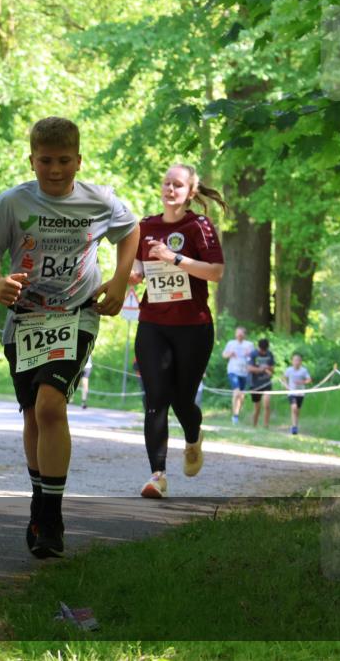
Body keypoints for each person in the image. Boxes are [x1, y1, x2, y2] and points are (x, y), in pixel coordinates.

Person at [0, 116, 139, 558]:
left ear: (79, 160)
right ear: (32, 160)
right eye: (45, 160)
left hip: (75, 315)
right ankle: (39, 498)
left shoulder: (99, 200)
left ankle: (51, 516)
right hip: (25, 320)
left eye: (64, 160)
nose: (55, 169)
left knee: (51, 405)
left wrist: (121, 280)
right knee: (32, 415)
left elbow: (131, 231)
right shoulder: (11, 203)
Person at [129, 164, 226, 499]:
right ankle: (157, 476)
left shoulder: (199, 226)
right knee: (155, 399)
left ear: (191, 192)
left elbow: (215, 272)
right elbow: (137, 265)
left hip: (193, 326)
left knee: (183, 400)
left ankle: (193, 437)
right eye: (167, 183)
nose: (171, 189)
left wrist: (174, 258)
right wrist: (135, 272)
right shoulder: (145, 226)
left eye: (178, 185)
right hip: (153, 323)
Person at [222, 326, 254, 424]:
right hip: (233, 370)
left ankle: (237, 414)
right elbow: (224, 355)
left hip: (244, 372)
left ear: (244, 335)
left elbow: (253, 357)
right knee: (236, 392)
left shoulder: (249, 344)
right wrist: (230, 354)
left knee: (241, 396)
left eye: (241, 333)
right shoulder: (231, 343)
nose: (239, 335)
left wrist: (249, 354)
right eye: (237, 333)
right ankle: (234, 416)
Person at [247, 338, 275, 429]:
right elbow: (249, 368)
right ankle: (254, 426)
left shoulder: (270, 354)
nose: (263, 352)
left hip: (266, 383)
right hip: (255, 384)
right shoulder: (253, 354)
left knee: (267, 404)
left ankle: (266, 425)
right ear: (258, 348)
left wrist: (268, 368)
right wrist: (260, 369)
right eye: (262, 350)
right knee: (257, 408)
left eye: (265, 350)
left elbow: (272, 368)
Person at [282, 353, 312, 435]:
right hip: (291, 392)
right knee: (294, 407)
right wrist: (286, 386)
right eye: (295, 360)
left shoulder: (303, 370)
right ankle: (294, 426)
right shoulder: (289, 370)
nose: (296, 362)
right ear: (292, 361)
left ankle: (295, 425)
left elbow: (309, 380)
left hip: (301, 393)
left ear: (301, 362)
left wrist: (302, 382)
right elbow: (284, 378)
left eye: (298, 360)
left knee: (297, 410)